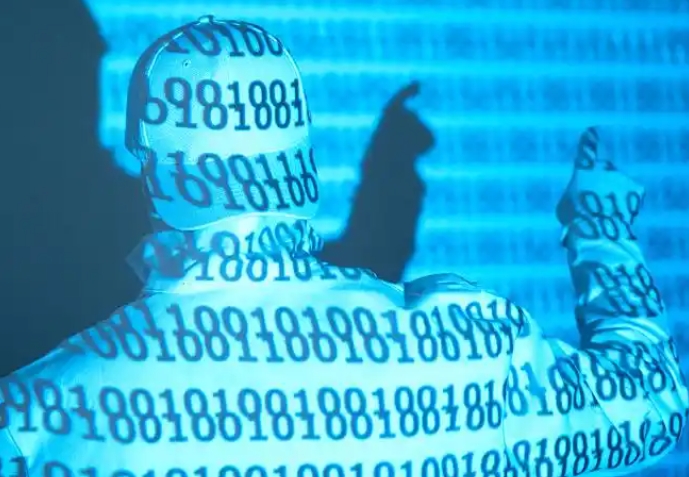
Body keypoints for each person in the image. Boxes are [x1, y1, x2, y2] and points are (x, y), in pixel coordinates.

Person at [0, 16, 687, 477]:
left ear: (151, 167)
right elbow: (652, 403)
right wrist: (601, 225)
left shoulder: (37, 417)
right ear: (300, 156)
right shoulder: (464, 351)